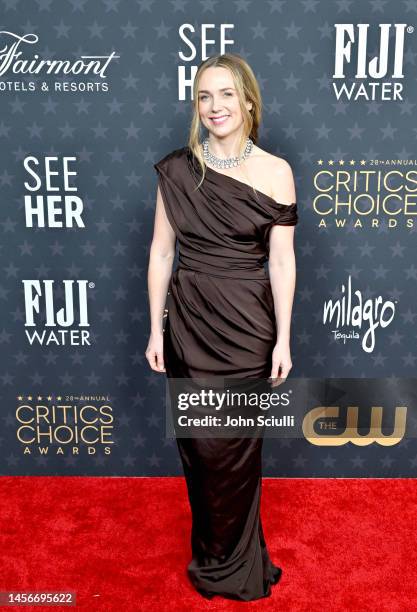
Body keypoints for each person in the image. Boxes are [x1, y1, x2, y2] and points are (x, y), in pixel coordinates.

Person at [145, 52, 297, 601]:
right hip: (189, 325)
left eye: (227, 95)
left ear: (248, 101)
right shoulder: (178, 170)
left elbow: (281, 261)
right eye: (205, 97)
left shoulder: (277, 172)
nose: (215, 107)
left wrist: (283, 337)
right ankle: (212, 555)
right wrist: (154, 330)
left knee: (237, 450)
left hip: (247, 328)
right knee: (201, 449)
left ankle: (237, 560)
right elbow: (162, 254)